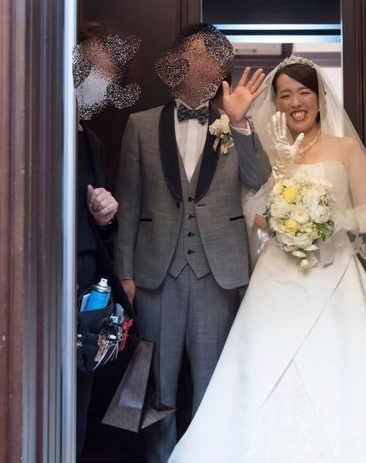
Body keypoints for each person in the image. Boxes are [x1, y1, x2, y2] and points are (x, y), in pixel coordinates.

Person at [168, 55, 366, 463]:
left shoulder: (345, 148)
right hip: (277, 273)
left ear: (319, 98)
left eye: (303, 93)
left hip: (335, 272)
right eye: (285, 95)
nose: (295, 102)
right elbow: (250, 206)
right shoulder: (266, 151)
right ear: (276, 103)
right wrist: (279, 221)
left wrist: (325, 223)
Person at [114, 23, 271, 462]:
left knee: (212, 386)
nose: (206, 64)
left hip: (216, 277)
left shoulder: (233, 122)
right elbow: (129, 203)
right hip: (155, 277)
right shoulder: (141, 125)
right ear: (175, 60)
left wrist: (238, 123)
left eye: (214, 57)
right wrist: (125, 273)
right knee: (157, 389)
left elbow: (258, 178)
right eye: (198, 54)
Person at [74, 22, 138, 460]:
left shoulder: (92, 140)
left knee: (79, 393)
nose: (102, 80)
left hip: (86, 279)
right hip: (42, 275)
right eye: (96, 66)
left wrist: (106, 216)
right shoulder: (33, 128)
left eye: (109, 73)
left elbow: (96, 224)